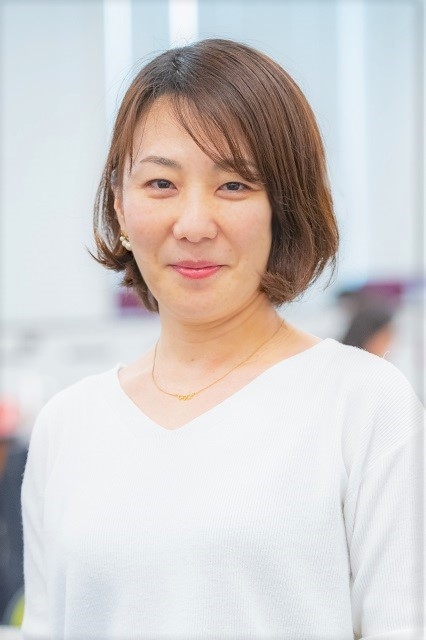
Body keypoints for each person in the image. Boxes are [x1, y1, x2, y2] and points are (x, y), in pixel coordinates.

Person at [21, 39, 424, 640]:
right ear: (120, 206)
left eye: (234, 185)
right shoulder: (68, 424)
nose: (193, 224)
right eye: (161, 183)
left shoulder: (364, 404)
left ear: (284, 207)